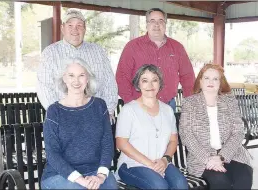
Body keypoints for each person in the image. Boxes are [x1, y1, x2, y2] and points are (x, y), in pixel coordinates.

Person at [41, 57, 117, 189]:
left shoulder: (99, 105)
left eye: (81, 75)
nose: (76, 81)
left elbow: (107, 144)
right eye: (71, 75)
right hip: (61, 174)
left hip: (95, 172)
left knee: (110, 186)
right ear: (64, 79)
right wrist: (80, 180)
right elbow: (52, 154)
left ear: (87, 79)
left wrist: (101, 175)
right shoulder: (54, 111)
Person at [179, 64, 253, 189]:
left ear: (220, 82)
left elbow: (238, 132)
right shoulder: (189, 103)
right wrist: (209, 159)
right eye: (207, 78)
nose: (211, 82)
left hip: (233, 154)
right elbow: (186, 135)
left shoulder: (229, 102)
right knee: (221, 182)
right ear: (200, 81)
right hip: (202, 159)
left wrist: (221, 157)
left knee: (244, 178)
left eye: (215, 79)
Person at [37, 9, 118, 122]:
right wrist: (61, 115)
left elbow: (110, 85)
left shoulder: (98, 52)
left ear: (85, 29)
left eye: (79, 25)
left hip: (96, 118)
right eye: (70, 25)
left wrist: (107, 112)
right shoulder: (50, 53)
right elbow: (44, 88)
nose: (75, 29)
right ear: (62, 28)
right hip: (63, 119)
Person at [115, 64, 188, 189]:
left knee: (180, 184)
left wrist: (165, 159)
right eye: (145, 81)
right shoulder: (128, 110)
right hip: (132, 164)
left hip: (161, 162)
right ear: (138, 84)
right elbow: (122, 143)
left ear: (160, 84)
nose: (150, 85)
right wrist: (150, 164)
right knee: (159, 186)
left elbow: (173, 140)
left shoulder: (167, 110)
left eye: (154, 80)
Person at [115, 8, 195, 111]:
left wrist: (190, 103)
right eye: (152, 21)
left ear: (165, 24)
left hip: (169, 106)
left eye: (160, 21)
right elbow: (122, 77)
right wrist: (131, 104)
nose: (156, 24)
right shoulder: (132, 47)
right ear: (147, 24)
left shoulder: (177, 48)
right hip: (139, 106)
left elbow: (188, 76)